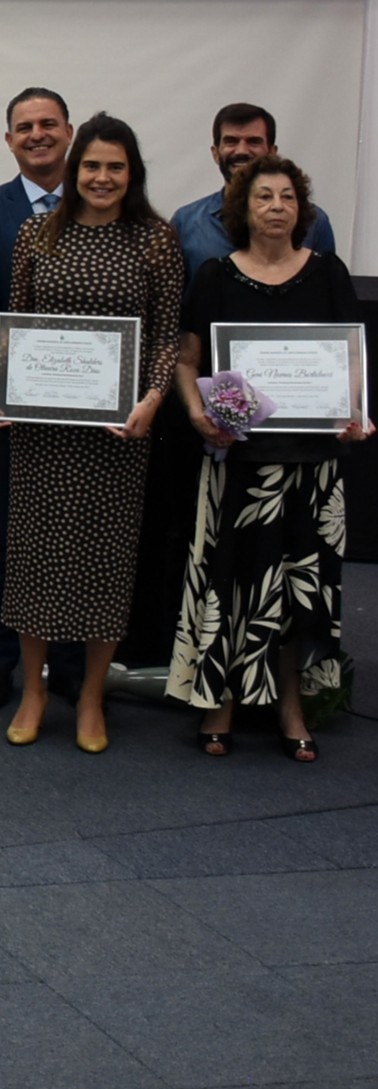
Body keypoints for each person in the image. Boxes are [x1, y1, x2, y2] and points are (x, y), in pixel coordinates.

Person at [0, 112, 183, 754]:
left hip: (118, 434)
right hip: (44, 430)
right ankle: (35, 689)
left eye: (114, 167)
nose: (101, 177)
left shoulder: (155, 239)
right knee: (36, 557)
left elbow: (167, 329)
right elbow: (17, 320)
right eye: (91, 165)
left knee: (104, 562)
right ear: (74, 169)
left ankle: (92, 694)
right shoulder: (39, 233)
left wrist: (153, 397)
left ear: (132, 173)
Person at [171, 155, 362, 762]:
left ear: (300, 209)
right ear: (241, 210)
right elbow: (187, 359)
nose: (277, 207)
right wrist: (200, 415)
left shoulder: (328, 271)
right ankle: (220, 703)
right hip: (241, 461)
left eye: (287, 197)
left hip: (311, 465)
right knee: (233, 586)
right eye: (264, 198)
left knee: (301, 592)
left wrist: (356, 409)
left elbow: (348, 358)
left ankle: (290, 704)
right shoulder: (215, 275)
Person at [0, 89, 82, 711]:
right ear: (8, 140)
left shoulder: (99, 205)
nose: (37, 135)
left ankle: (67, 663)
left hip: (84, 404)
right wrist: (13, 367)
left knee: (72, 532)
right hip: (3, 396)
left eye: (48, 124)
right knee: (0, 532)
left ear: (70, 132)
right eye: (24, 127)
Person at [173, 104, 335, 279]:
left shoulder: (314, 222)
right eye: (231, 141)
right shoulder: (186, 223)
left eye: (254, 141)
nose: (242, 151)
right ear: (216, 153)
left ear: (272, 153)